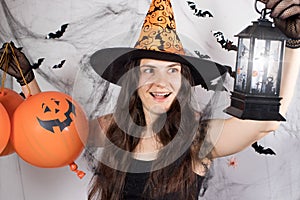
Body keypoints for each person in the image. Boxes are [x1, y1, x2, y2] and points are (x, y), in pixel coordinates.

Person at [1, 0, 300, 199]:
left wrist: (294, 44)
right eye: (149, 70)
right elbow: (56, 133)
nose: (162, 82)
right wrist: (28, 82)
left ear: (183, 81)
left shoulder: (199, 139)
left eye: (173, 70)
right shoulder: (112, 130)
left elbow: (264, 125)